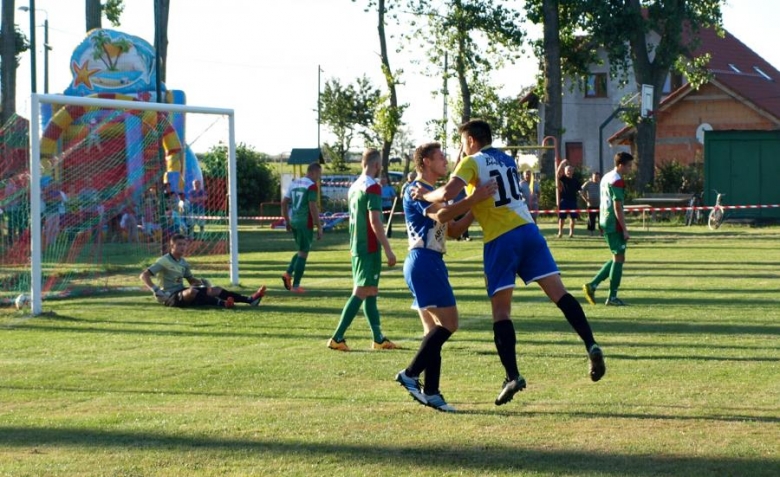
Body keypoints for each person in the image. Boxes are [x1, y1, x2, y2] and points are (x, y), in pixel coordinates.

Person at [412, 119, 606, 406]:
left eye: (463, 142)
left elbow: (448, 194)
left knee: (501, 312)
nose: (462, 148)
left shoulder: (471, 161)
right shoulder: (507, 160)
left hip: (501, 239)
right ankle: (591, 343)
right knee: (560, 293)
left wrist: (425, 194)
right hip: (529, 231)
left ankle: (512, 375)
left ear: (471, 140)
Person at [395, 142, 496, 412]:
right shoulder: (416, 190)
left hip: (427, 262)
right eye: (440, 157)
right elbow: (441, 214)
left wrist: (477, 206)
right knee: (450, 324)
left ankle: (432, 392)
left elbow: (453, 229)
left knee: (433, 333)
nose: (445, 160)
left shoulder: (433, 192)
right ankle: (410, 374)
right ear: (426, 162)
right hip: (424, 261)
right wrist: (474, 198)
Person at [327, 148, 398, 352]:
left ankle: (378, 339)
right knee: (361, 290)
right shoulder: (372, 187)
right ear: (377, 165)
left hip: (357, 245)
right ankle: (337, 337)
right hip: (369, 246)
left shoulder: (354, 187)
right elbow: (375, 221)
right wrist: (388, 249)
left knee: (371, 290)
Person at [140, 233, 267, 308]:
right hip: (168, 296)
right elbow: (144, 275)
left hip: (182, 292)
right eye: (179, 244)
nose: (182, 247)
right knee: (192, 292)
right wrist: (156, 290)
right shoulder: (164, 260)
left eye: (184, 244)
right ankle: (223, 304)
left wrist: (201, 282)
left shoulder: (183, 262)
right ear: (172, 246)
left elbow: (191, 281)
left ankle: (250, 300)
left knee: (215, 289)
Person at [583, 152, 634, 307]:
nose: (630, 169)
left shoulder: (606, 177)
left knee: (618, 257)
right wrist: (624, 229)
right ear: (621, 165)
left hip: (605, 220)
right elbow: (617, 207)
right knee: (619, 258)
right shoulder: (617, 181)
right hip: (614, 223)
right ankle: (611, 297)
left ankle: (593, 286)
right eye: (629, 166)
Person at [280, 162, 323, 294]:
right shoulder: (311, 186)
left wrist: (287, 220)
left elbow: (284, 202)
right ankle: (295, 285)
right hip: (305, 222)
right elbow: (312, 206)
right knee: (303, 253)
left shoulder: (294, 183)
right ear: (313, 172)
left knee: (301, 251)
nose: (319, 178)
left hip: (294, 220)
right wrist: (319, 226)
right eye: (319, 174)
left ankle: (288, 274)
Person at [556, 160, 582, 238]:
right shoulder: (564, 178)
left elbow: (580, 190)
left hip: (573, 201)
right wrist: (561, 164)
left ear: (573, 172)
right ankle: (560, 232)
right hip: (564, 201)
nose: (569, 172)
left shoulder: (575, 180)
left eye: (570, 170)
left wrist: (582, 195)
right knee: (562, 218)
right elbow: (557, 174)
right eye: (567, 170)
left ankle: (571, 233)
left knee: (573, 218)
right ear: (565, 171)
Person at [582, 172, 602, 236]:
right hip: (591, 205)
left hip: (601, 205)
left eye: (597, 177)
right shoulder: (588, 183)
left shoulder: (602, 183)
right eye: (594, 177)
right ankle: (591, 233)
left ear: (599, 177)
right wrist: (586, 199)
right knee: (591, 219)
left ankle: (601, 233)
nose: (596, 178)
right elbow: (581, 191)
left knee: (601, 219)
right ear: (592, 177)